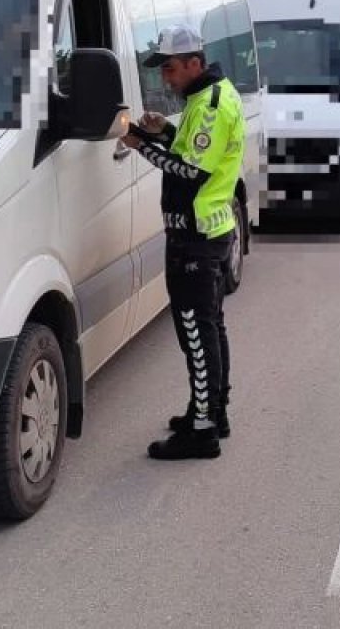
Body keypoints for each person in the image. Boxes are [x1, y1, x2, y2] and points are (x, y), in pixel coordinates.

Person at [121, 25, 244, 460]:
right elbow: (194, 152)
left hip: (196, 236)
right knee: (210, 327)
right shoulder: (205, 98)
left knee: (195, 330)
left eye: (170, 69)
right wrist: (165, 133)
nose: (165, 78)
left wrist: (139, 144)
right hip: (206, 231)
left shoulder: (209, 103)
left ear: (195, 63)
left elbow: (190, 172)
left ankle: (203, 431)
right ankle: (212, 412)